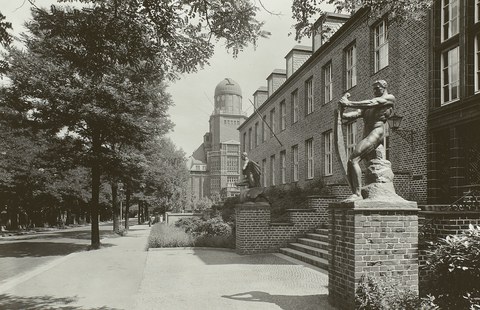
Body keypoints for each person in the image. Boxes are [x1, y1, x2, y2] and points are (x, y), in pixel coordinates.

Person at [339, 80, 395, 201]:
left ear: (384, 87)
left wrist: (348, 103)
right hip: (367, 134)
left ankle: (357, 193)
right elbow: (353, 115)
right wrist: (341, 112)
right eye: (373, 89)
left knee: (353, 159)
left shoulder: (389, 98)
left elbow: (371, 102)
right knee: (359, 162)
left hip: (376, 132)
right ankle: (359, 192)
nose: (374, 91)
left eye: (377, 88)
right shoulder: (368, 107)